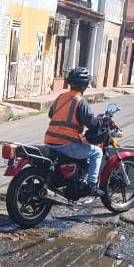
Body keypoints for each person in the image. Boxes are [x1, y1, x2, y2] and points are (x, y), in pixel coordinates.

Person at [45, 66, 104, 198]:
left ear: (69, 83)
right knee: (97, 152)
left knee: (83, 148)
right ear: (85, 85)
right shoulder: (80, 102)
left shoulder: (61, 97)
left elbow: (51, 114)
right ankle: (91, 185)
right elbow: (91, 123)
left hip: (49, 141)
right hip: (67, 143)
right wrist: (101, 122)